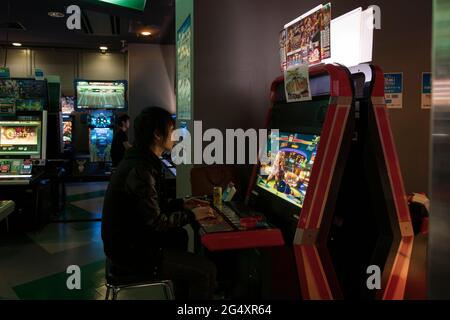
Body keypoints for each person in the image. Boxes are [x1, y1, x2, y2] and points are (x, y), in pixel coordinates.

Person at [102, 106, 217, 300]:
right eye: (171, 130)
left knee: (180, 236)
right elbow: (156, 223)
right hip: (130, 253)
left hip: (125, 243)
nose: (175, 135)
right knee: (207, 270)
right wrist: (193, 215)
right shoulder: (141, 170)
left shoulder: (141, 160)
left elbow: (152, 206)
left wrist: (184, 204)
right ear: (157, 134)